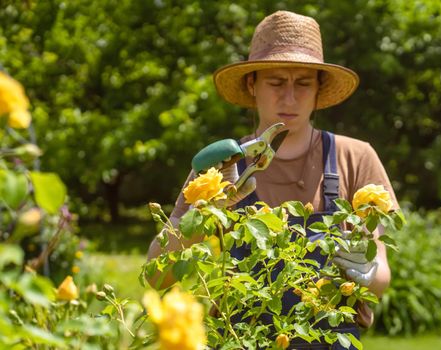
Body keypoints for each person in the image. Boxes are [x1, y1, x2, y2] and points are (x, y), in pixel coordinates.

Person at [147, 10, 399, 349]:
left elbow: (381, 274)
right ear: (253, 85)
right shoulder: (222, 166)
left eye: (303, 83)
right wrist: (199, 220)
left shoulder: (354, 158)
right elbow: (156, 275)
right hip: (244, 339)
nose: (290, 99)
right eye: (276, 83)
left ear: (318, 89)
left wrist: (368, 271)